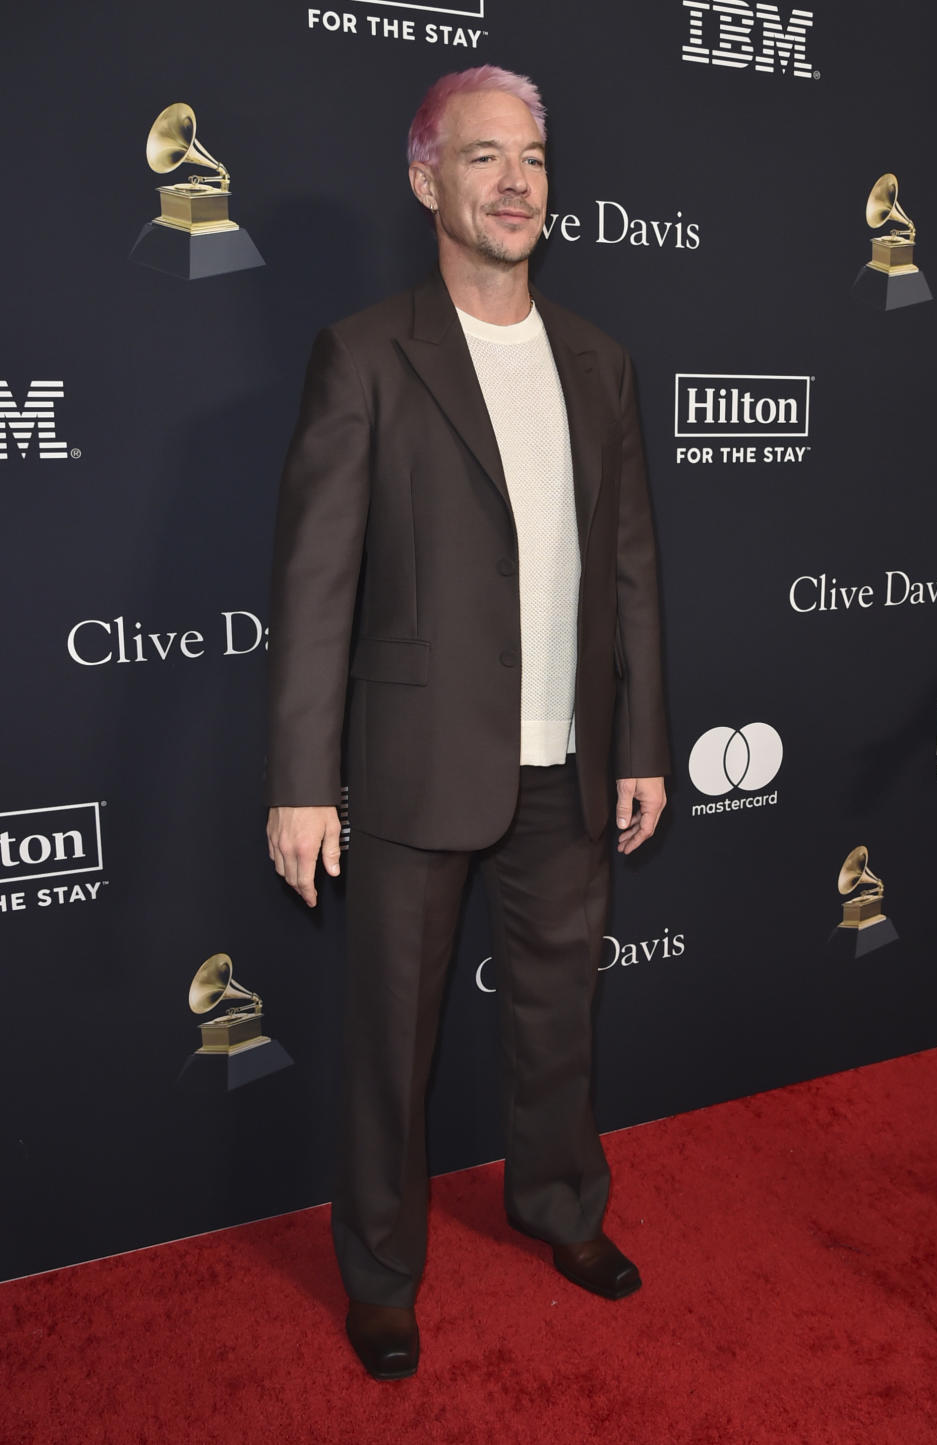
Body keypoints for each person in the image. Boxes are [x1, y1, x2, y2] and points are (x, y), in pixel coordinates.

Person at [264, 65, 670, 1381]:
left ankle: (560, 1204)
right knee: (393, 1036)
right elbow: (317, 581)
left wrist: (643, 741)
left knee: (559, 1016)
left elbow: (630, 570)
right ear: (425, 179)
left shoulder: (601, 363)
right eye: (484, 156)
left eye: (535, 159)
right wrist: (301, 778)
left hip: (569, 760)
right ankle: (380, 1271)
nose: (516, 182)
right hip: (411, 763)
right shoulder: (368, 353)